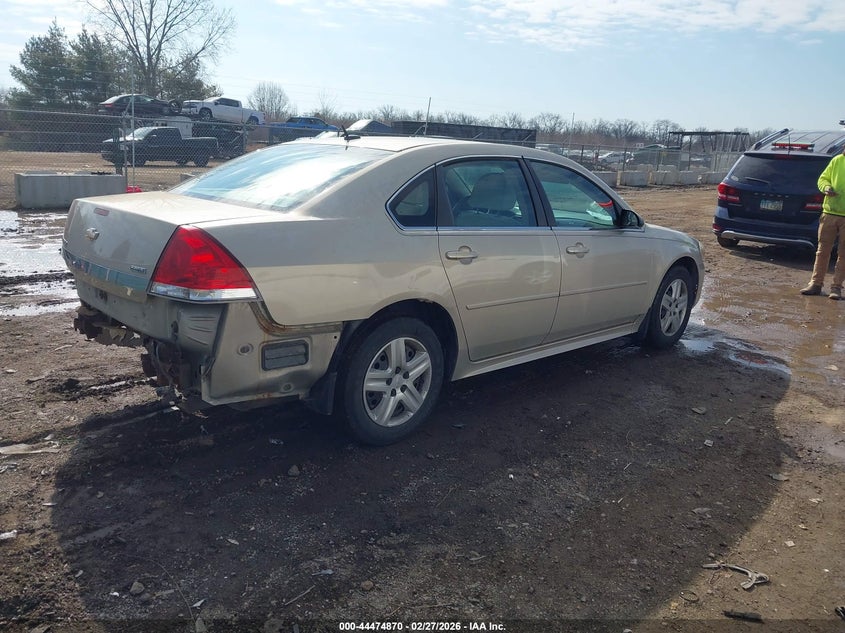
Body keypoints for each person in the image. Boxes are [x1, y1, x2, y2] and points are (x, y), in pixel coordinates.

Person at [800, 150, 845, 300]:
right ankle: (816, 284)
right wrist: (826, 187)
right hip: (830, 212)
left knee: (843, 254)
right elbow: (823, 179)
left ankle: (836, 288)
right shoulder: (837, 160)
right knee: (822, 251)